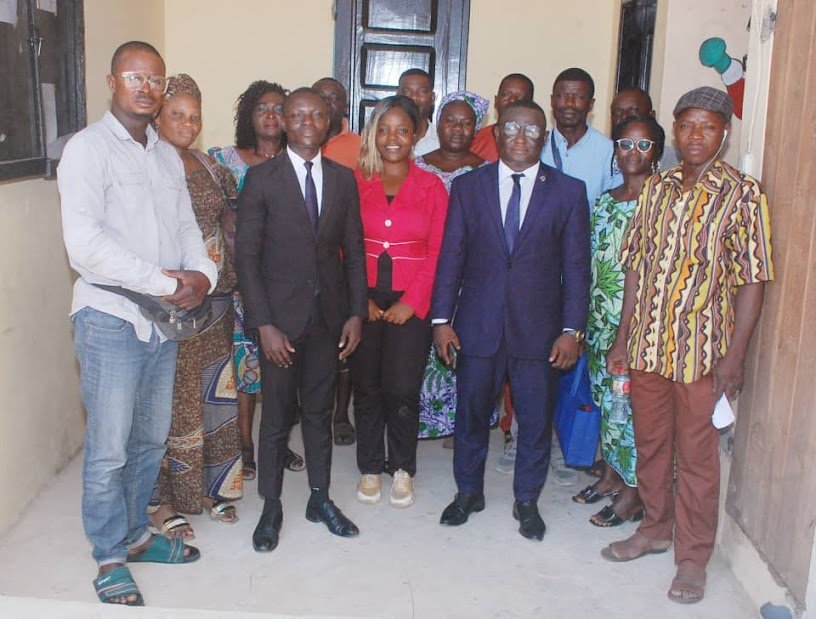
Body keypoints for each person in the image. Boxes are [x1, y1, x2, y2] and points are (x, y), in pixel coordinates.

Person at [602, 87, 774, 605]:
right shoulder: (656, 188)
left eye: (708, 127)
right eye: (687, 126)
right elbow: (635, 265)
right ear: (674, 132)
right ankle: (656, 527)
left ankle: (693, 556)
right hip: (649, 346)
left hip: (702, 354)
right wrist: (623, 337)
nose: (695, 136)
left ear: (724, 134)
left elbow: (753, 280)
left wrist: (735, 356)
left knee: (697, 458)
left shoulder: (744, 194)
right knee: (651, 444)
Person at [58, 41, 209, 606]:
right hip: (111, 316)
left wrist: (204, 275)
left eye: (155, 79)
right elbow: (86, 246)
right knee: (109, 447)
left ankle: (138, 535)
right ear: (111, 81)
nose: (145, 87)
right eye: (134, 76)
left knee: (149, 438)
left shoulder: (166, 155)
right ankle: (108, 556)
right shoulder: (87, 151)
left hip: (163, 321)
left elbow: (189, 227)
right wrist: (168, 283)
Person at [432, 100, 590, 541]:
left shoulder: (568, 191)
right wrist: (441, 319)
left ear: (545, 136)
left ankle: (527, 501)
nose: (522, 137)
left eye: (533, 130)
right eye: (513, 128)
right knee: (471, 415)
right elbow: (452, 256)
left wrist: (571, 330)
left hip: (540, 332)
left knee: (536, 420)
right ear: (498, 133)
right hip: (476, 325)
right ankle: (468, 493)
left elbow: (577, 268)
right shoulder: (469, 187)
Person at [236, 87, 367, 553]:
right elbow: (246, 258)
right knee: (275, 420)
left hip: (328, 319)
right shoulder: (262, 179)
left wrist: (355, 313)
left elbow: (353, 253)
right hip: (280, 325)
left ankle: (319, 498)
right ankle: (271, 506)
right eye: (298, 114)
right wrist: (264, 324)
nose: (308, 121)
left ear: (328, 120)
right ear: (285, 122)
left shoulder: (343, 178)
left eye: (316, 113)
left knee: (318, 414)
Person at [148, 74, 243, 538]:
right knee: (169, 404)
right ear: (157, 116)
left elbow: (230, 221)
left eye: (194, 116)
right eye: (177, 115)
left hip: (216, 303)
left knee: (213, 399)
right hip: (169, 307)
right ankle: (164, 503)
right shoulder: (145, 165)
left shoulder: (208, 166)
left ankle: (210, 489)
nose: (187, 124)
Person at [351, 95, 449, 507]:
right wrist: (360, 300)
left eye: (402, 130)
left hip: (412, 300)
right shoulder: (355, 180)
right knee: (367, 386)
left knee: (402, 388)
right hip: (367, 298)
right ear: (374, 133)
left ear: (416, 136)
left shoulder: (432, 187)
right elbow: (345, 246)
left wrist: (414, 301)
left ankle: (403, 467)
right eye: (384, 129)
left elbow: (439, 251)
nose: (393, 138)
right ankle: (370, 466)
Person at [572, 116, 665, 528]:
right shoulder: (607, 200)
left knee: (629, 411)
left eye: (643, 146)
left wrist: (624, 336)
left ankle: (633, 494)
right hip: (599, 322)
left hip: (636, 328)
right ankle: (611, 474)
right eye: (626, 143)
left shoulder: (663, 202)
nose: (633, 152)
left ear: (657, 152)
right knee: (607, 406)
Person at [209, 81, 305, 480]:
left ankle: (276, 443)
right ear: (248, 115)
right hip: (236, 282)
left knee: (279, 367)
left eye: (278, 108)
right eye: (261, 108)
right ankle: (244, 445)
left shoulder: (299, 162)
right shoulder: (224, 161)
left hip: (282, 283)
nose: (270, 115)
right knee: (242, 365)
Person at [414, 91, 488, 447]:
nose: (457, 129)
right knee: (419, 351)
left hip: (470, 276)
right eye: (450, 120)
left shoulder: (487, 171)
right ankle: (419, 422)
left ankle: (462, 425)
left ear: (476, 128)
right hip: (422, 271)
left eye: (466, 122)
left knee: (466, 348)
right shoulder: (416, 164)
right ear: (437, 123)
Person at [313, 76, 359, 446]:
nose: (328, 104)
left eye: (335, 98)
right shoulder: (295, 140)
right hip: (301, 265)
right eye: (321, 97)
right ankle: (310, 408)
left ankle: (341, 414)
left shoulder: (359, 146)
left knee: (342, 344)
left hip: (342, 264)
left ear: (344, 106)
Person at [540, 67, 620, 208]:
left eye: (579, 97)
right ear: (552, 101)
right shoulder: (537, 147)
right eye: (562, 96)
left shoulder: (608, 151)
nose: (569, 103)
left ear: (591, 104)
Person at [471, 73, 535, 163]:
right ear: (496, 101)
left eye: (519, 96)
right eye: (506, 94)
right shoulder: (475, 140)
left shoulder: (536, 142)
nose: (512, 100)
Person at [313, 77, 361, 170]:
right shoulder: (295, 142)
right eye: (320, 97)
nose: (326, 102)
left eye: (333, 98)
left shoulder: (362, 147)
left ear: (345, 108)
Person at [397, 68, 438, 156]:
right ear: (397, 96)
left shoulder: (443, 140)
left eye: (421, 92)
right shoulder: (385, 139)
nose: (414, 97)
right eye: (407, 92)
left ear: (433, 98)